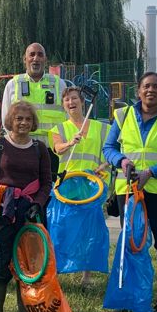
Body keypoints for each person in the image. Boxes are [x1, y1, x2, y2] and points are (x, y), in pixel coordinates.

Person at [103, 71, 157, 312]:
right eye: (146, 86)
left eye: (156, 87)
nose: (151, 90)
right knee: (130, 243)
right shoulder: (122, 115)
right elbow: (108, 148)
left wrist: (151, 172)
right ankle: (129, 295)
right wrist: (122, 160)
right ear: (138, 91)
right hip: (128, 190)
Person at [0, 101, 52, 312]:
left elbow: (47, 182)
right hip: (4, 210)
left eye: (28, 119)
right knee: (1, 261)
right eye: (19, 118)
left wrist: (38, 204)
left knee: (28, 263)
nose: (23, 123)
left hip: (30, 211)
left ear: (33, 123)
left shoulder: (39, 148)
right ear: (10, 120)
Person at [50, 85, 109, 286]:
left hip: (92, 184)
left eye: (74, 99)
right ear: (63, 105)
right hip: (67, 184)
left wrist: (105, 165)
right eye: (67, 100)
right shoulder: (58, 129)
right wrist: (69, 143)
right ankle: (57, 271)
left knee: (89, 231)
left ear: (82, 102)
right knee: (62, 228)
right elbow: (57, 149)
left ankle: (87, 277)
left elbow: (111, 150)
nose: (71, 103)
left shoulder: (102, 128)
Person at [0, 43, 67, 154]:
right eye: (32, 54)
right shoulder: (13, 84)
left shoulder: (59, 84)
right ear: (25, 59)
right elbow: (5, 118)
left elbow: (68, 115)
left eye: (40, 55)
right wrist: (16, 142)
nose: (36, 58)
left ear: (45, 59)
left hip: (53, 148)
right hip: (22, 146)